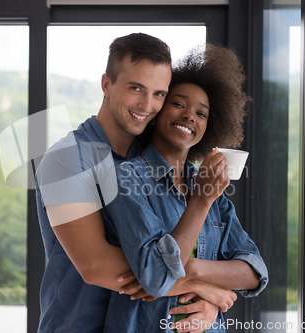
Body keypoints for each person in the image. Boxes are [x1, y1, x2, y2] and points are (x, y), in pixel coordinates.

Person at [36, 34, 266, 333]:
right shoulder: (68, 159)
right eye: (136, 88)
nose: (147, 104)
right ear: (106, 84)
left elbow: (243, 267)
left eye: (159, 94)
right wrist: (205, 287)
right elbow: (97, 267)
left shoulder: (153, 165)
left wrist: (203, 296)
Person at [100, 44, 268, 333]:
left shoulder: (212, 192)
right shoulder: (126, 178)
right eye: (178, 104)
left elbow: (255, 272)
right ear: (157, 109)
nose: (190, 116)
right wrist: (201, 201)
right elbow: (155, 277)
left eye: (201, 114)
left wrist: (194, 271)